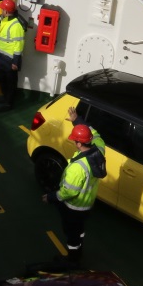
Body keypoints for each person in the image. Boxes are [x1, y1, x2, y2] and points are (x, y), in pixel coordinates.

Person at [42, 105, 106, 266]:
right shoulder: (100, 149)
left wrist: (50, 197)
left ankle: (73, 259)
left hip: (74, 207)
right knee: (79, 229)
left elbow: (67, 192)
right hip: (87, 204)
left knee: (71, 233)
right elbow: (95, 133)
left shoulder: (78, 168)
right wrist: (77, 121)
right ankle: (79, 242)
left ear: (78, 143)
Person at [0, 0, 26, 112]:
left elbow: (19, 45)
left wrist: (15, 62)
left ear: (7, 11)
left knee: (10, 83)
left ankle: (9, 104)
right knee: (1, 79)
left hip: (10, 60)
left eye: (2, 9)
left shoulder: (16, 26)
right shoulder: (5, 20)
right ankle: (5, 98)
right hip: (1, 57)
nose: (1, 11)